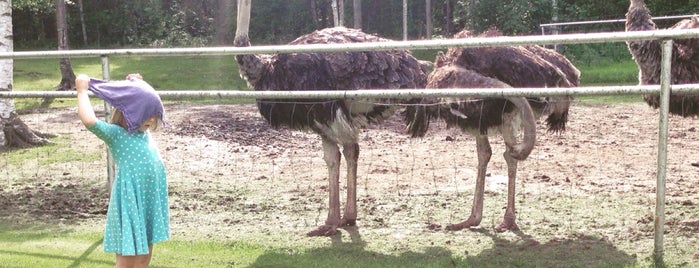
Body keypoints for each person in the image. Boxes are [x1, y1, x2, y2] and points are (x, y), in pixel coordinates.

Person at [76, 73, 169, 268]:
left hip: (146, 202)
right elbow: (89, 121)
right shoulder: (117, 135)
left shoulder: (143, 133)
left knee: (143, 259)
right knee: (126, 262)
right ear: (131, 112)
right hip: (130, 203)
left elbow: (133, 97)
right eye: (146, 114)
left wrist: (134, 83)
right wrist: (82, 91)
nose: (151, 120)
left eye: (153, 115)